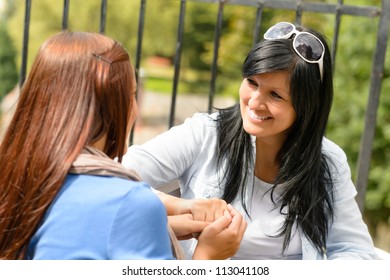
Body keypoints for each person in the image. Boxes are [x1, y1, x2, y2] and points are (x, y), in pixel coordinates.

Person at [123, 21, 379, 260]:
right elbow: (116, 177)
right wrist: (184, 207)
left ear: (305, 107)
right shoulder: (206, 133)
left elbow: (355, 250)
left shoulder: (327, 161)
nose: (255, 102)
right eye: (252, 82)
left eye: (275, 95)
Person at [0, 31, 246, 260]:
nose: (135, 109)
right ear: (112, 108)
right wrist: (207, 257)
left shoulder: (18, 177)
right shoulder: (129, 202)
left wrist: (159, 227)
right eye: (131, 95)